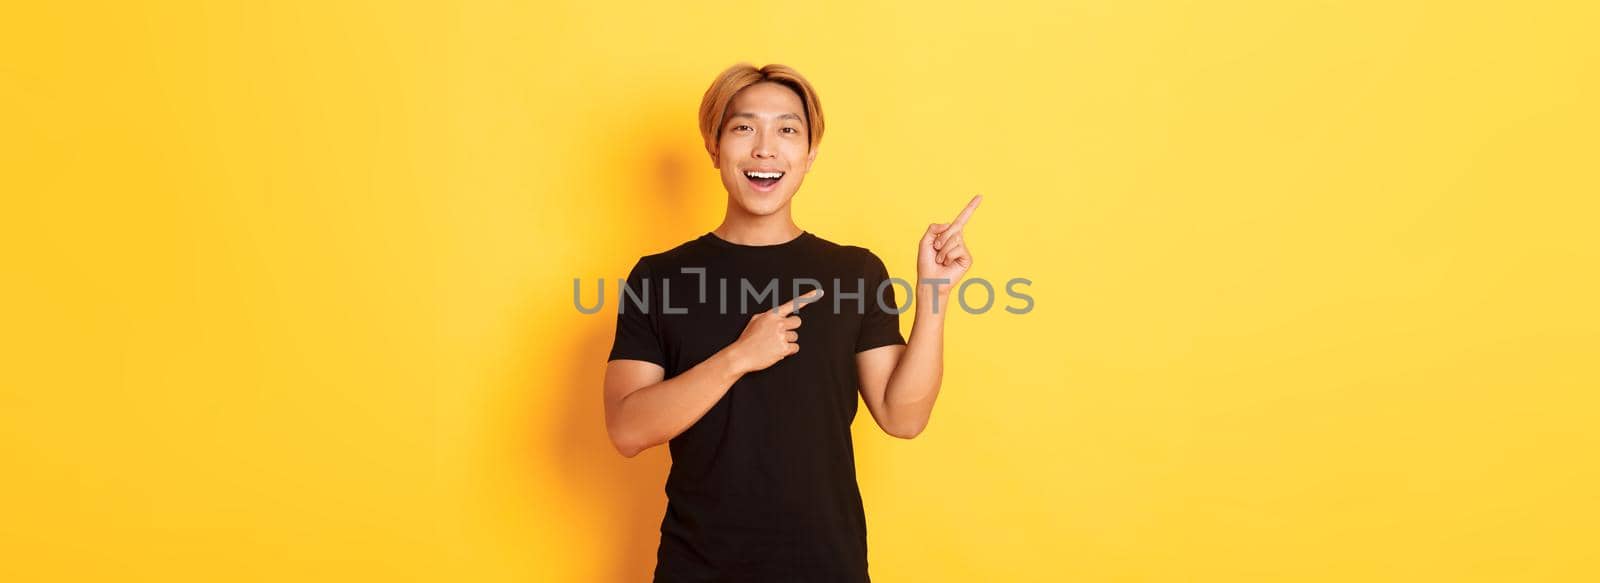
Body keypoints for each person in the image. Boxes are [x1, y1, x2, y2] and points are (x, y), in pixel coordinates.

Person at [603, 62, 981, 582]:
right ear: (714, 148)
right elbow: (626, 429)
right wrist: (739, 356)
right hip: (697, 568)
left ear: (810, 154)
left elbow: (903, 416)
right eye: (743, 128)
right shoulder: (659, 277)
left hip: (826, 567)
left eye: (787, 129)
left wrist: (934, 295)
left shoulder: (854, 272)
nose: (765, 148)